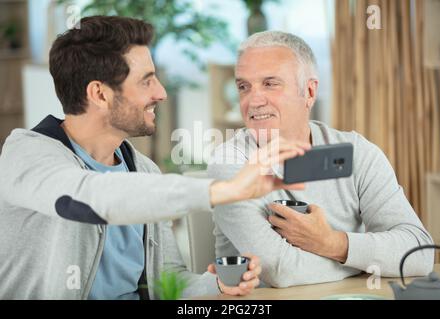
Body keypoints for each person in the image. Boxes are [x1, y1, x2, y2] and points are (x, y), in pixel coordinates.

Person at [0, 18, 309, 299]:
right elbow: (89, 197)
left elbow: (166, 281)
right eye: (146, 81)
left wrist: (216, 285)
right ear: (100, 94)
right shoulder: (27, 154)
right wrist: (223, 190)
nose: (161, 92)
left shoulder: (142, 170)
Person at [207, 31, 434, 288]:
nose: (253, 101)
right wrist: (365, 263)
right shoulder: (229, 163)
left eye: (270, 83)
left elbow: (420, 253)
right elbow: (282, 270)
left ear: (310, 92)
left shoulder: (357, 152)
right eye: (243, 86)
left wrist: (331, 242)